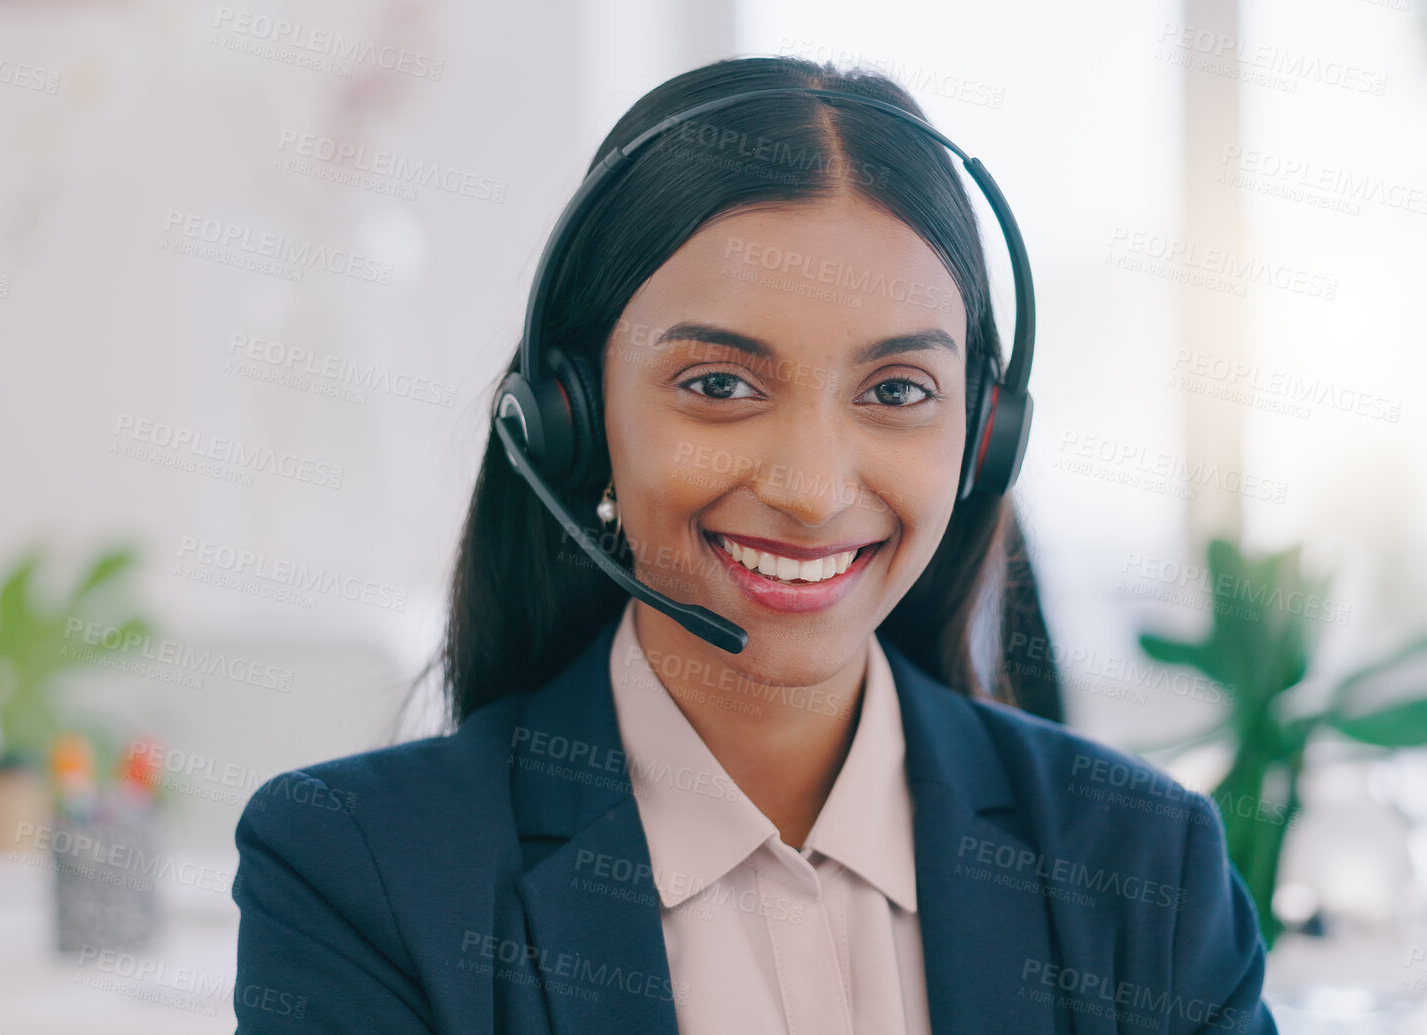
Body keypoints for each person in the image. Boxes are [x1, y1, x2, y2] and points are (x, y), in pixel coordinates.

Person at [232, 55, 1277, 1035]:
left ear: (982, 437)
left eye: (896, 391)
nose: (812, 492)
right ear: (575, 420)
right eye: (719, 386)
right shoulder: (356, 872)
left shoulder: (1145, 867)